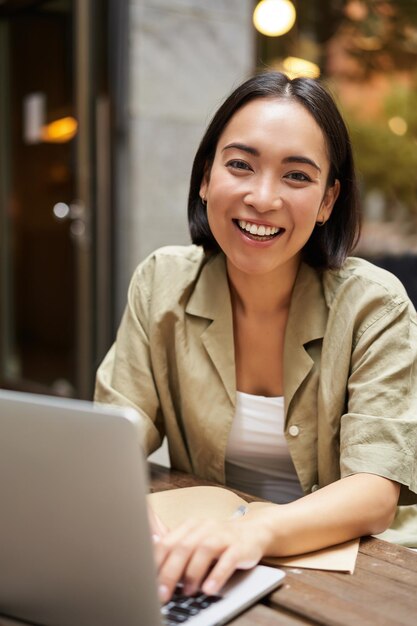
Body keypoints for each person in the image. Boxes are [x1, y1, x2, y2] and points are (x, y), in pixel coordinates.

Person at [95, 71, 417, 602]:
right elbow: (117, 424)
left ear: (327, 201)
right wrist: (114, 488)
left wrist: (253, 531)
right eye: (240, 165)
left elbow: (374, 492)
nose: (262, 198)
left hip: (361, 576)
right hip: (206, 570)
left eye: (297, 176)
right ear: (205, 178)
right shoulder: (162, 282)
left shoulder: (374, 304)